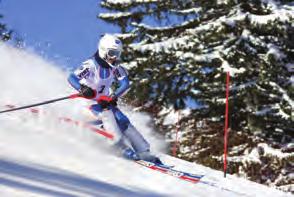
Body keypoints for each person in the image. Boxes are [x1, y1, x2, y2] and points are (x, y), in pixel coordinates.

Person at [68, 34, 162, 164]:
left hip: (104, 102)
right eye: (112, 53)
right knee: (107, 115)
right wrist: (82, 89)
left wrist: (114, 96)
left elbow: (125, 83)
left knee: (122, 120)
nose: (114, 57)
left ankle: (144, 151)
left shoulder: (115, 68)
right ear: (103, 51)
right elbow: (72, 78)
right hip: (87, 104)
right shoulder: (90, 65)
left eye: (117, 54)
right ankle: (118, 146)